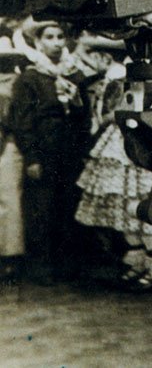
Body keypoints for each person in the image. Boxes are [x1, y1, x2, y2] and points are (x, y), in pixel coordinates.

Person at [6, 18, 91, 284]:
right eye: (49, 37)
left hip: (70, 149)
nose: (55, 43)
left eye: (59, 37)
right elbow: (22, 121)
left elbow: (85, 117)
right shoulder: (30, 78)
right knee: (41, 208)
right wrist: (31, 156)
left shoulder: (75, 75)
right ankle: (41, 266)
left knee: (68, 206)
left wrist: (77, 107)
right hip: (44, 150)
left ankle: (68, 266)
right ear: (38, 42)